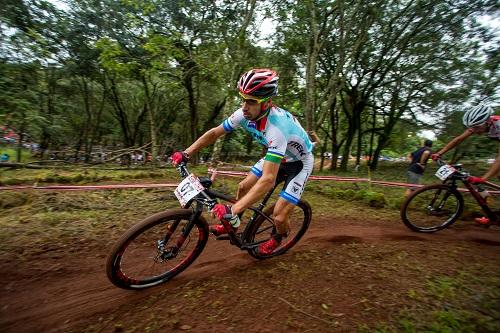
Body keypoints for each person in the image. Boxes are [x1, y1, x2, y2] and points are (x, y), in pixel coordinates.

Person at [171, 68, 315, 255]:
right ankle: (234, 223)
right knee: (243, 187)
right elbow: (215, 132)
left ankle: (278, 237)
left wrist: (233, 208)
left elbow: (268, 180)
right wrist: (186, 152)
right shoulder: (244, 114)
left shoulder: (277, 129)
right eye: (243, 98)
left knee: (279, 216)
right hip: (280, 156)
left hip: (299, 163)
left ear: (266, 104)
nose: (244, 106)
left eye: (251, 101)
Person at [431, 102, 498, 224]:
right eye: (472, 127)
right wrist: (439, 153)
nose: (474, 131)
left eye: (477, 128)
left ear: (487, 122)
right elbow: (458, 139)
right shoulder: (481, 124)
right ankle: (494, 216)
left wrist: (483, 178)